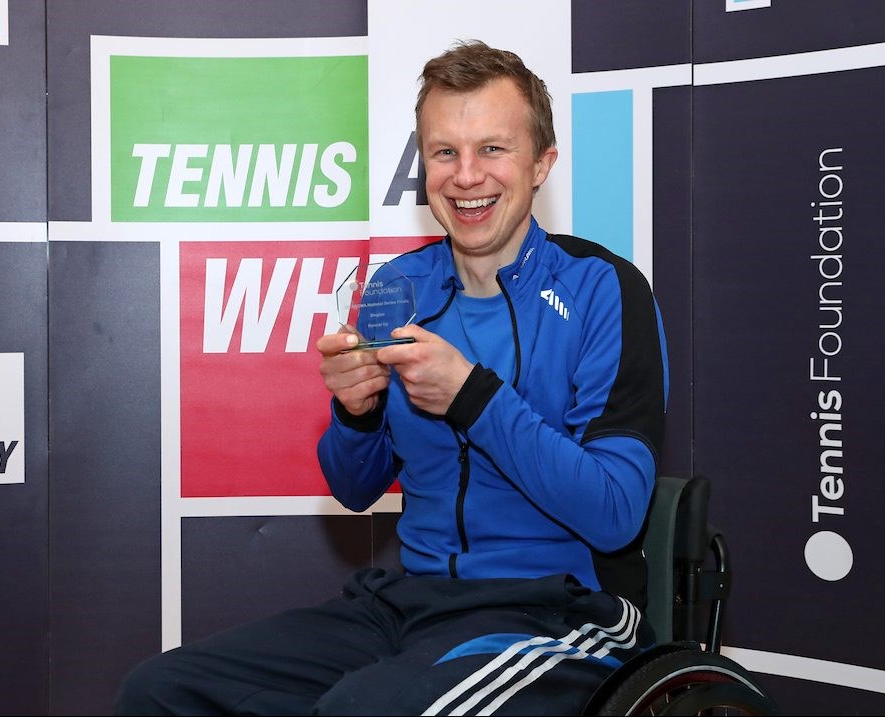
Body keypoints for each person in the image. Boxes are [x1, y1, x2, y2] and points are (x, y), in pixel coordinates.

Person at [115, 39, 668, 716]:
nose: (466, 176)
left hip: (559, 613)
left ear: (540, 163)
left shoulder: (602, 288)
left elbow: (614, 515)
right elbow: (353, 487)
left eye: (492, 149)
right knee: (159, 691)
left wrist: (473, 396)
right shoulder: (399, 285)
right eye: (444, 152)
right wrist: (356, 411)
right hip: (408, 603)